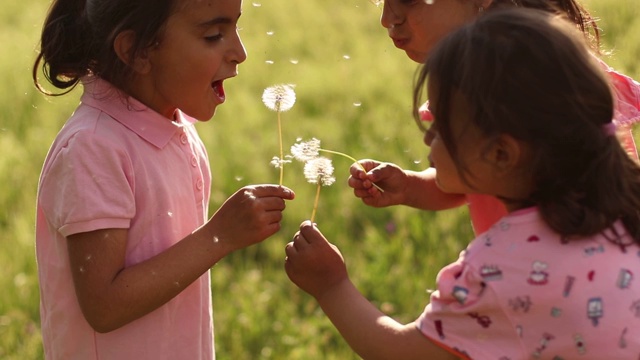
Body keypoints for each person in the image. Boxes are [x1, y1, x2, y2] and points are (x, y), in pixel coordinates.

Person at [285, 8, 640, 359]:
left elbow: (402, 353)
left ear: (501, 154)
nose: (428, 139)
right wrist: (410, 187)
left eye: (440, 128)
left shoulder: (501, 269)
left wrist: (331, 285)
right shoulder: (620, 209)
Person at [32, 0, 295, 358]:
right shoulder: (94, 148)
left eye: (237, 28)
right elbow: (104, 306)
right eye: (214, 35)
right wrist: (218, 237)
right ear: (136, 51)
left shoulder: (175, 128)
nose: (240, 53)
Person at [350, 0, 640, 235]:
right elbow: (476, 175)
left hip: (560, 282)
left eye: (408, 0)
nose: (388, 18)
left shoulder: (543, 85)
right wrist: (410, 186)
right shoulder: (468, 80)